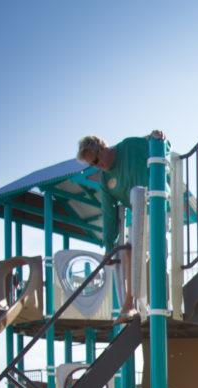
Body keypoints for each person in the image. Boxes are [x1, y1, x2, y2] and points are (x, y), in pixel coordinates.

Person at [76, 131, 166, 323]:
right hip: (138, 213)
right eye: (92, 164)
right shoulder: (105, 179)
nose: (97, 166)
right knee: (127, 252)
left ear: (102, 148)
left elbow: (162, 146)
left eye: (96, 160)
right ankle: (131, 304)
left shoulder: (130, 147)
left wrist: (159, 139)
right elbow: (109, 214)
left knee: (135, 251)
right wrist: (109, 247)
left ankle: (130, 304)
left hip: (157, 206)